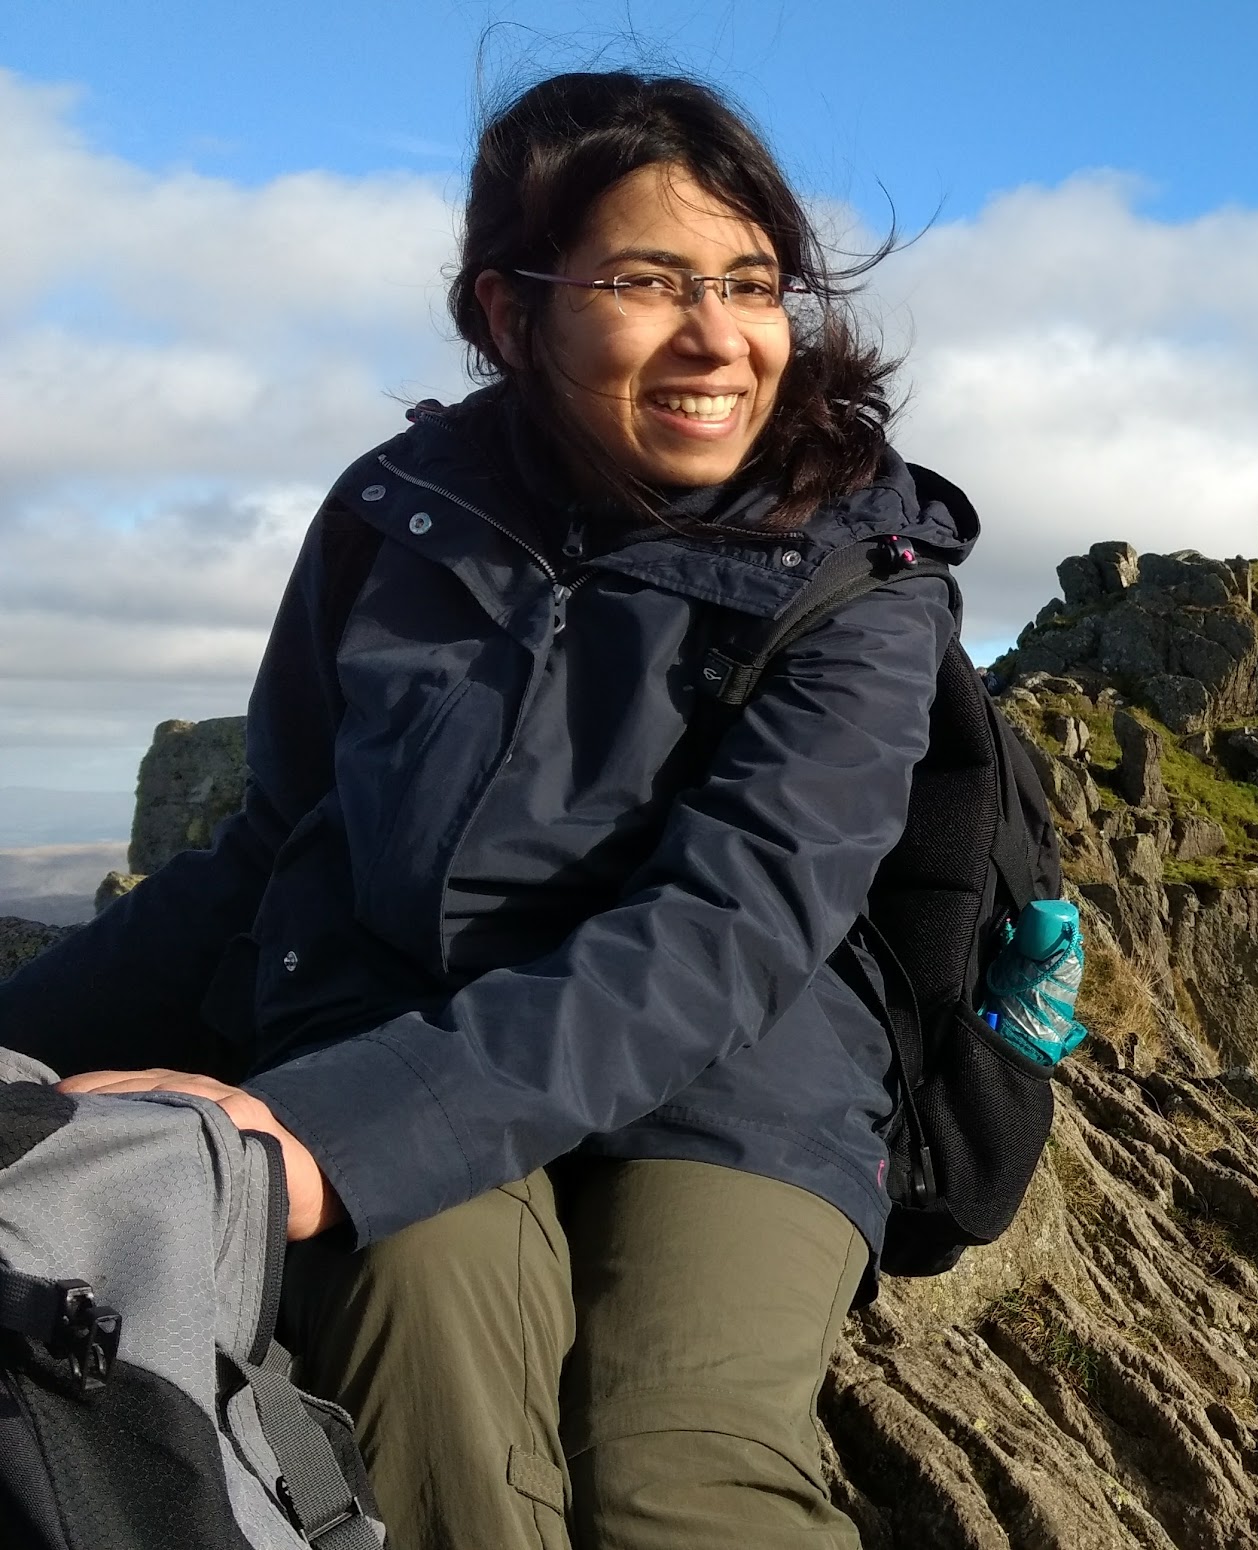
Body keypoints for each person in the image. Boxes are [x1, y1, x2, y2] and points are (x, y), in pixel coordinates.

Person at [0, 70, 964, 1550]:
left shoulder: (861, 571)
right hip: (395, 1013)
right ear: (512, 313)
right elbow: (270, 848)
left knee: (678, 1479)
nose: (719, 336)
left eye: (752, 282)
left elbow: (727, 926)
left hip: (734, 1072)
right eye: (649, 281)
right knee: (409, 1320)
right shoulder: (398, 511)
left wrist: (334, 1134)